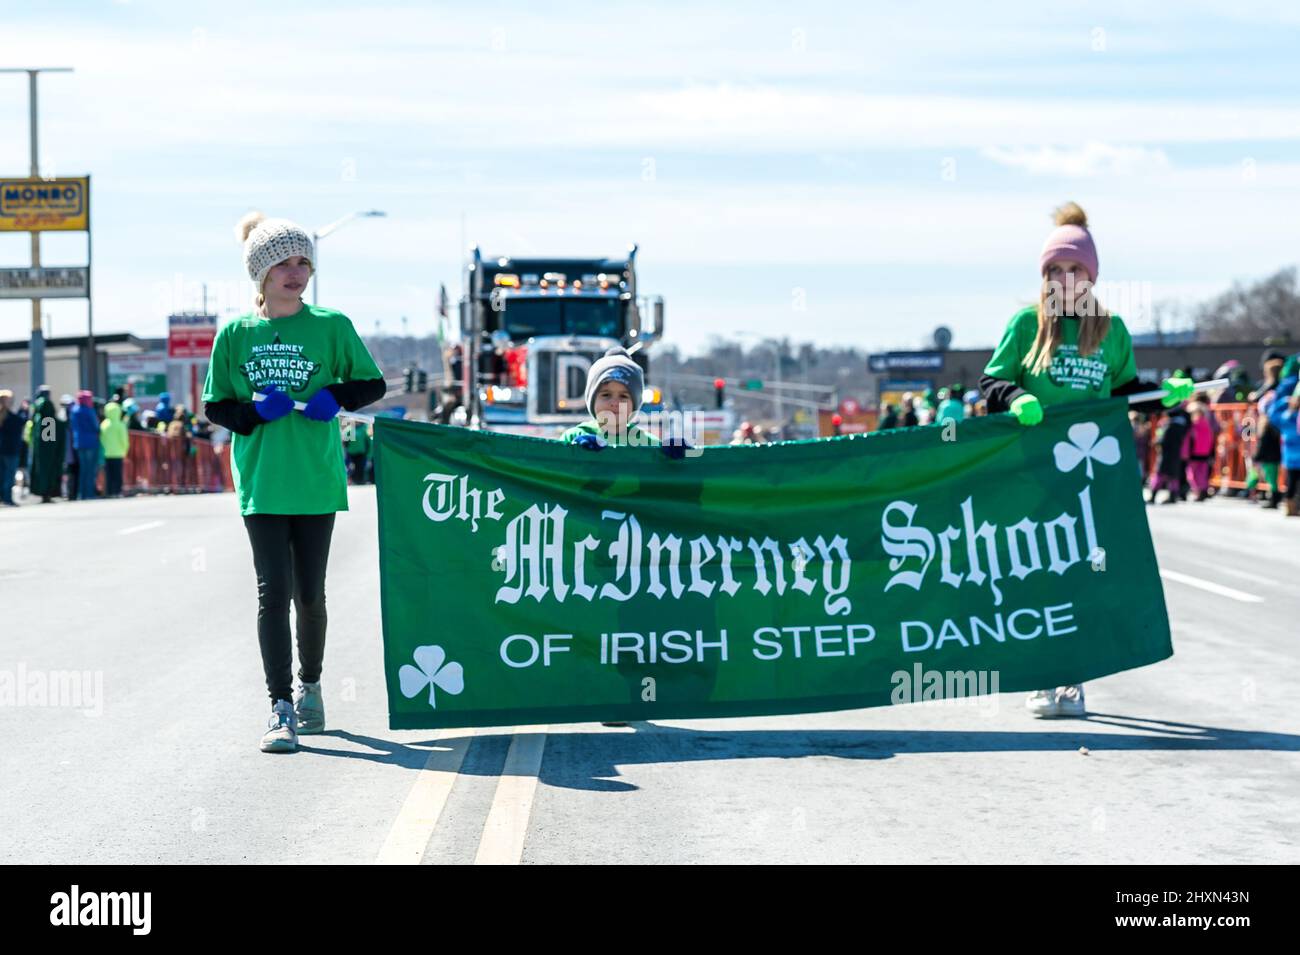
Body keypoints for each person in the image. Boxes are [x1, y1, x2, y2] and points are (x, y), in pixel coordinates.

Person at [980, 201, 1192, 719]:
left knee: (1082, 574)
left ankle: (1071, 679)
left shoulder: (1111, 330)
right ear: (1045, 275)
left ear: (1091, 275)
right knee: (1037, 573)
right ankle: (1038, 675)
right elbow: (991, 382)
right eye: (1055, 269)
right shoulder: (1026, 325)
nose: (1065, 277)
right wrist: (1016, 398)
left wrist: (1163, 394)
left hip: (1090, 473)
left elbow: (1124, 390)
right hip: (1033, 471)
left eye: (1075, 268)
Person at [202, 212, 385, 753]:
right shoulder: (236, 334)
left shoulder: (332, 326)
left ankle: (311, 687)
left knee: (310, 594)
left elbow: (370, 383)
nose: (296, 271)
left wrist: (337, 399)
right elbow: (217, 407)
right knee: (271, 593)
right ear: (260, 271)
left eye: (303, 261)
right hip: (261, 483)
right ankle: (279, 706)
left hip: (315, 480)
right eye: (284, 262)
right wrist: (255, 412)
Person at [1266, 355, 1300, 517]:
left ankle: (1290, 504)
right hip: (1293, 447)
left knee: (1292, 479)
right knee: (1293, 479)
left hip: (1289, 448)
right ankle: (1292, 504)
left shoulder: (1286, 413)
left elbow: (1273, 414)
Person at [25, 387, 66, 503]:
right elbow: (49, 438)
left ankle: (46, 492)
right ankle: (46, 491)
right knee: (46, 470)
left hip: (41, 449)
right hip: (46, 451)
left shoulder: (39, 416)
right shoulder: (46, 414)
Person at [69, 391, 101, 501]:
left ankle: (81, 493)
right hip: (91, 442)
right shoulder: (89, 410)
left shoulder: (74, 410)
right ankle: (89, 493)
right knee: (91, 469)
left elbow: (72, 426)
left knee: (83, 470)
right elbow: (95, 426)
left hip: (79, 443)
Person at [1182, 401, 1215, 501]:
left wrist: (1185, 453)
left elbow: (1188, 441)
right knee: (1202, 474)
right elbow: (1210, 440)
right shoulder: (1207, 425)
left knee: (1192, 474)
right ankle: (1203, 490)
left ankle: (1198, 491)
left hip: (1194, 453)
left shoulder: (1193, 426)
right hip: (1204, 453)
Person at [100, 397, 130, 498]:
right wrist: (125, 451)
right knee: (117, 474)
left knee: (109, 475)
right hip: (118, 453)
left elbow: (101, 439)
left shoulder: (104, 424)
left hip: (106, 453)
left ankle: (109, 492)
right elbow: (124, 440)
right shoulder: (120, 425)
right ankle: (117, 491)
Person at [0, 389, 26, 506]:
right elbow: (20, 422)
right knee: (9, 475)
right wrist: (23, 410)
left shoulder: (6, 415)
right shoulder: (8, 416)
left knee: (3, 475)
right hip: (9, 450)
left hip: (4, 449)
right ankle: (7, 498)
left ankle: (4, 497)